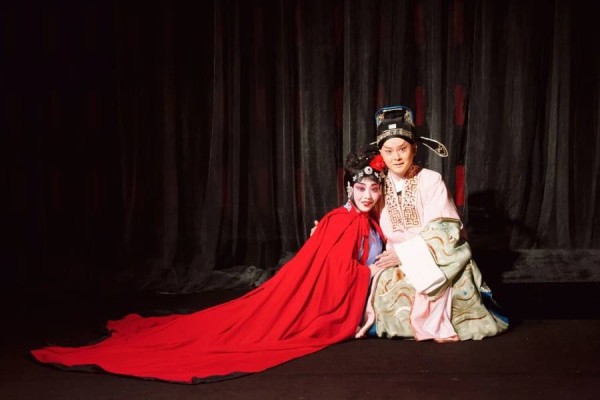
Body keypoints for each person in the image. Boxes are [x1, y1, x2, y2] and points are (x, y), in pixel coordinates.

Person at [31, 149, 387, 384]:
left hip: (309, 291)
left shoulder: (364, 221)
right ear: (349, 188)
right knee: (243, 331)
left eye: (374, 189)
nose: (367, 196)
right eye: (361, 188)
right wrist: (369, 273)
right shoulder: (342, 221)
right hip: (302, 303)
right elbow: (336, 274)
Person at [355, 105, 508, 341]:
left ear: (414, 148)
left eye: (402, 149)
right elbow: (358, 214)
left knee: (451, 285)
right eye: (389, 151)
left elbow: (445, 232)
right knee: (384, 284)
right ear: (380, 154)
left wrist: (405, 255)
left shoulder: (431, 180)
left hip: (437, 258)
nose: (396, 157)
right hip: (392, 259)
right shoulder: (377, 186)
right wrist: (327, 228)